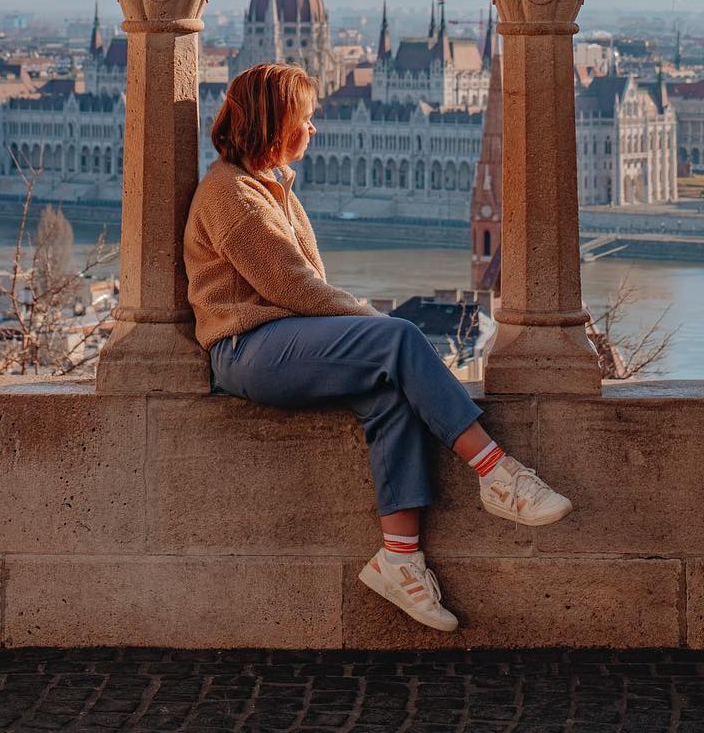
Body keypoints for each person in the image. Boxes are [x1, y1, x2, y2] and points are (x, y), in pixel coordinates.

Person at [184, 61, 574, 632]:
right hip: (246, 346)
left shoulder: (270, 185)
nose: (314, 129)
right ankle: (497, 474)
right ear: (275, 122)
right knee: (397, 339)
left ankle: (399, 559)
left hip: (277, 338)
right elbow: (294, 286)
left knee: (389, 396)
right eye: (306, 118)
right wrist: (370, 319)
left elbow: (299, 289)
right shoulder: (232, 195)